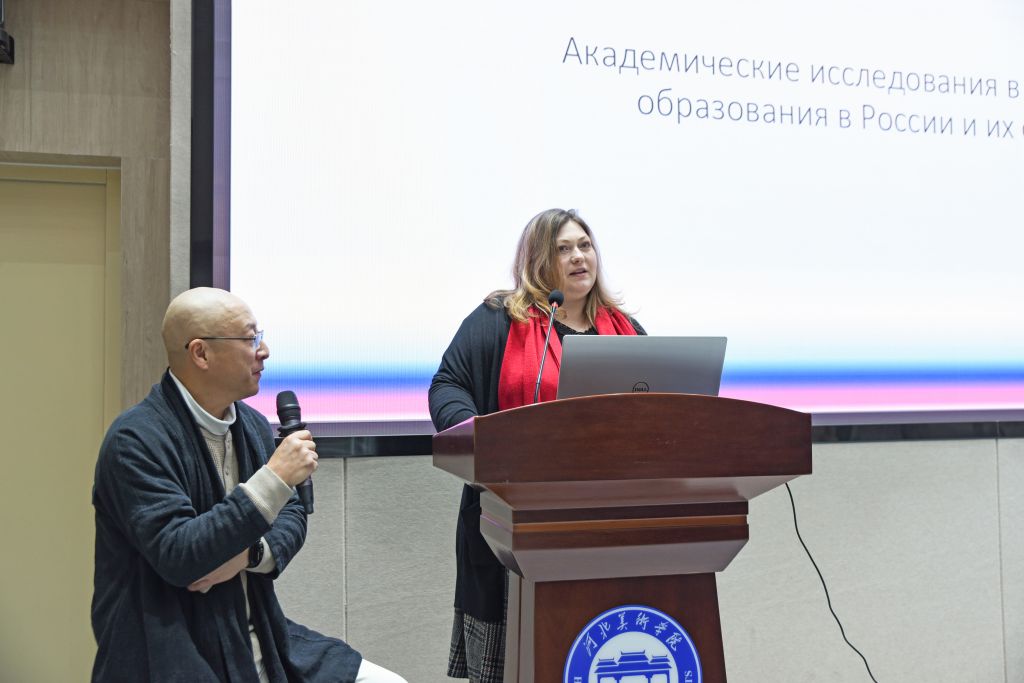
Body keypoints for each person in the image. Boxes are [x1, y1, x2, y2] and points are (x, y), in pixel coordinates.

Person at [91, 287, 407, 683]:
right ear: (201, 353)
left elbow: (292, 512)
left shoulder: (252, 425)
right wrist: (274, 478)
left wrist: (249, 555)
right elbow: (180, 555)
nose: (264, 351)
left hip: (258, 634)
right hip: (172, 647)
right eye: (250, 338)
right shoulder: (136, 439)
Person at [428, 208, 646, 682]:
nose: (578, 257)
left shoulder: (626, 329)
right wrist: (478, 436)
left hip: (612, 521)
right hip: (514, 518)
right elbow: (448, 385)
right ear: (538, 261)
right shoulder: (499, 319)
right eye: (563, 249)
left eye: (585, 245)